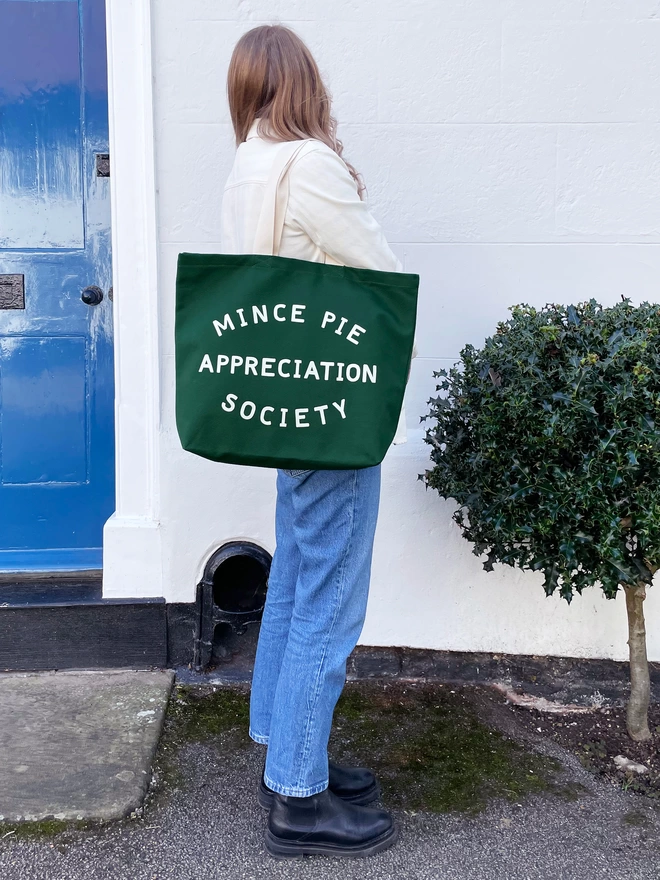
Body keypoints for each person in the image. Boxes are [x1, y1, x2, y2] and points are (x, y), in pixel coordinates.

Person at [221, 24, 404, 859]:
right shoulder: (309, 163)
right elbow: (378, 272)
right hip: (332, 408)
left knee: (297, 573)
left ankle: (285, 749)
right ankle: (299, 798)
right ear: (305, 83)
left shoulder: (249, 161)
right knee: (329, 596)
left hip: (285, 405)